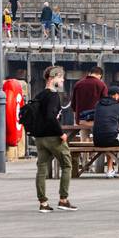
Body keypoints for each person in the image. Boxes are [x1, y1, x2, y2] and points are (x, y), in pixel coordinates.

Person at [29, 65, 77, 212]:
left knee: (42, 168)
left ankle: (43, 202)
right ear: (53, 77)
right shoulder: (53, 95)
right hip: (53, 137)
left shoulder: (39, 95)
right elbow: (50, 116)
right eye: (61, 77)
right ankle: (63, 199)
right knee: (67, 165)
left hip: (39, 138)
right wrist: (60, 132)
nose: (62, 80)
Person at [92, 85, 119, 178]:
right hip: (111, 139)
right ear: (116, 95)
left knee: (109, 137)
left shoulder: (98, 104)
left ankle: (110, 169)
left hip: (97, 140)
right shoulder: (118, 105)